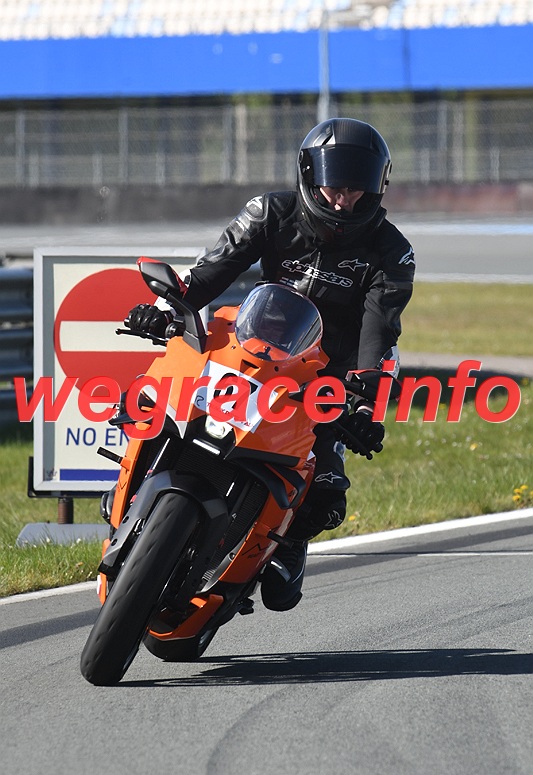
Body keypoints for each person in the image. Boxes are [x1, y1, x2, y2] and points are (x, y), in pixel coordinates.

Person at [126, 117, 416, 612]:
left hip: (324, 375)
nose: (343, 201)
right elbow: (210, 272)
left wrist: (363, 404)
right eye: (334, 187)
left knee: (326, 494)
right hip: (251, 345)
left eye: (355, 190)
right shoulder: (269, 213)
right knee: (152, 404)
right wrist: (168, 308)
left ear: (376, 188)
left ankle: (287, 544)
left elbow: (379, 331)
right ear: (309, 175)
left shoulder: (393, 253)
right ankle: (132, 493)